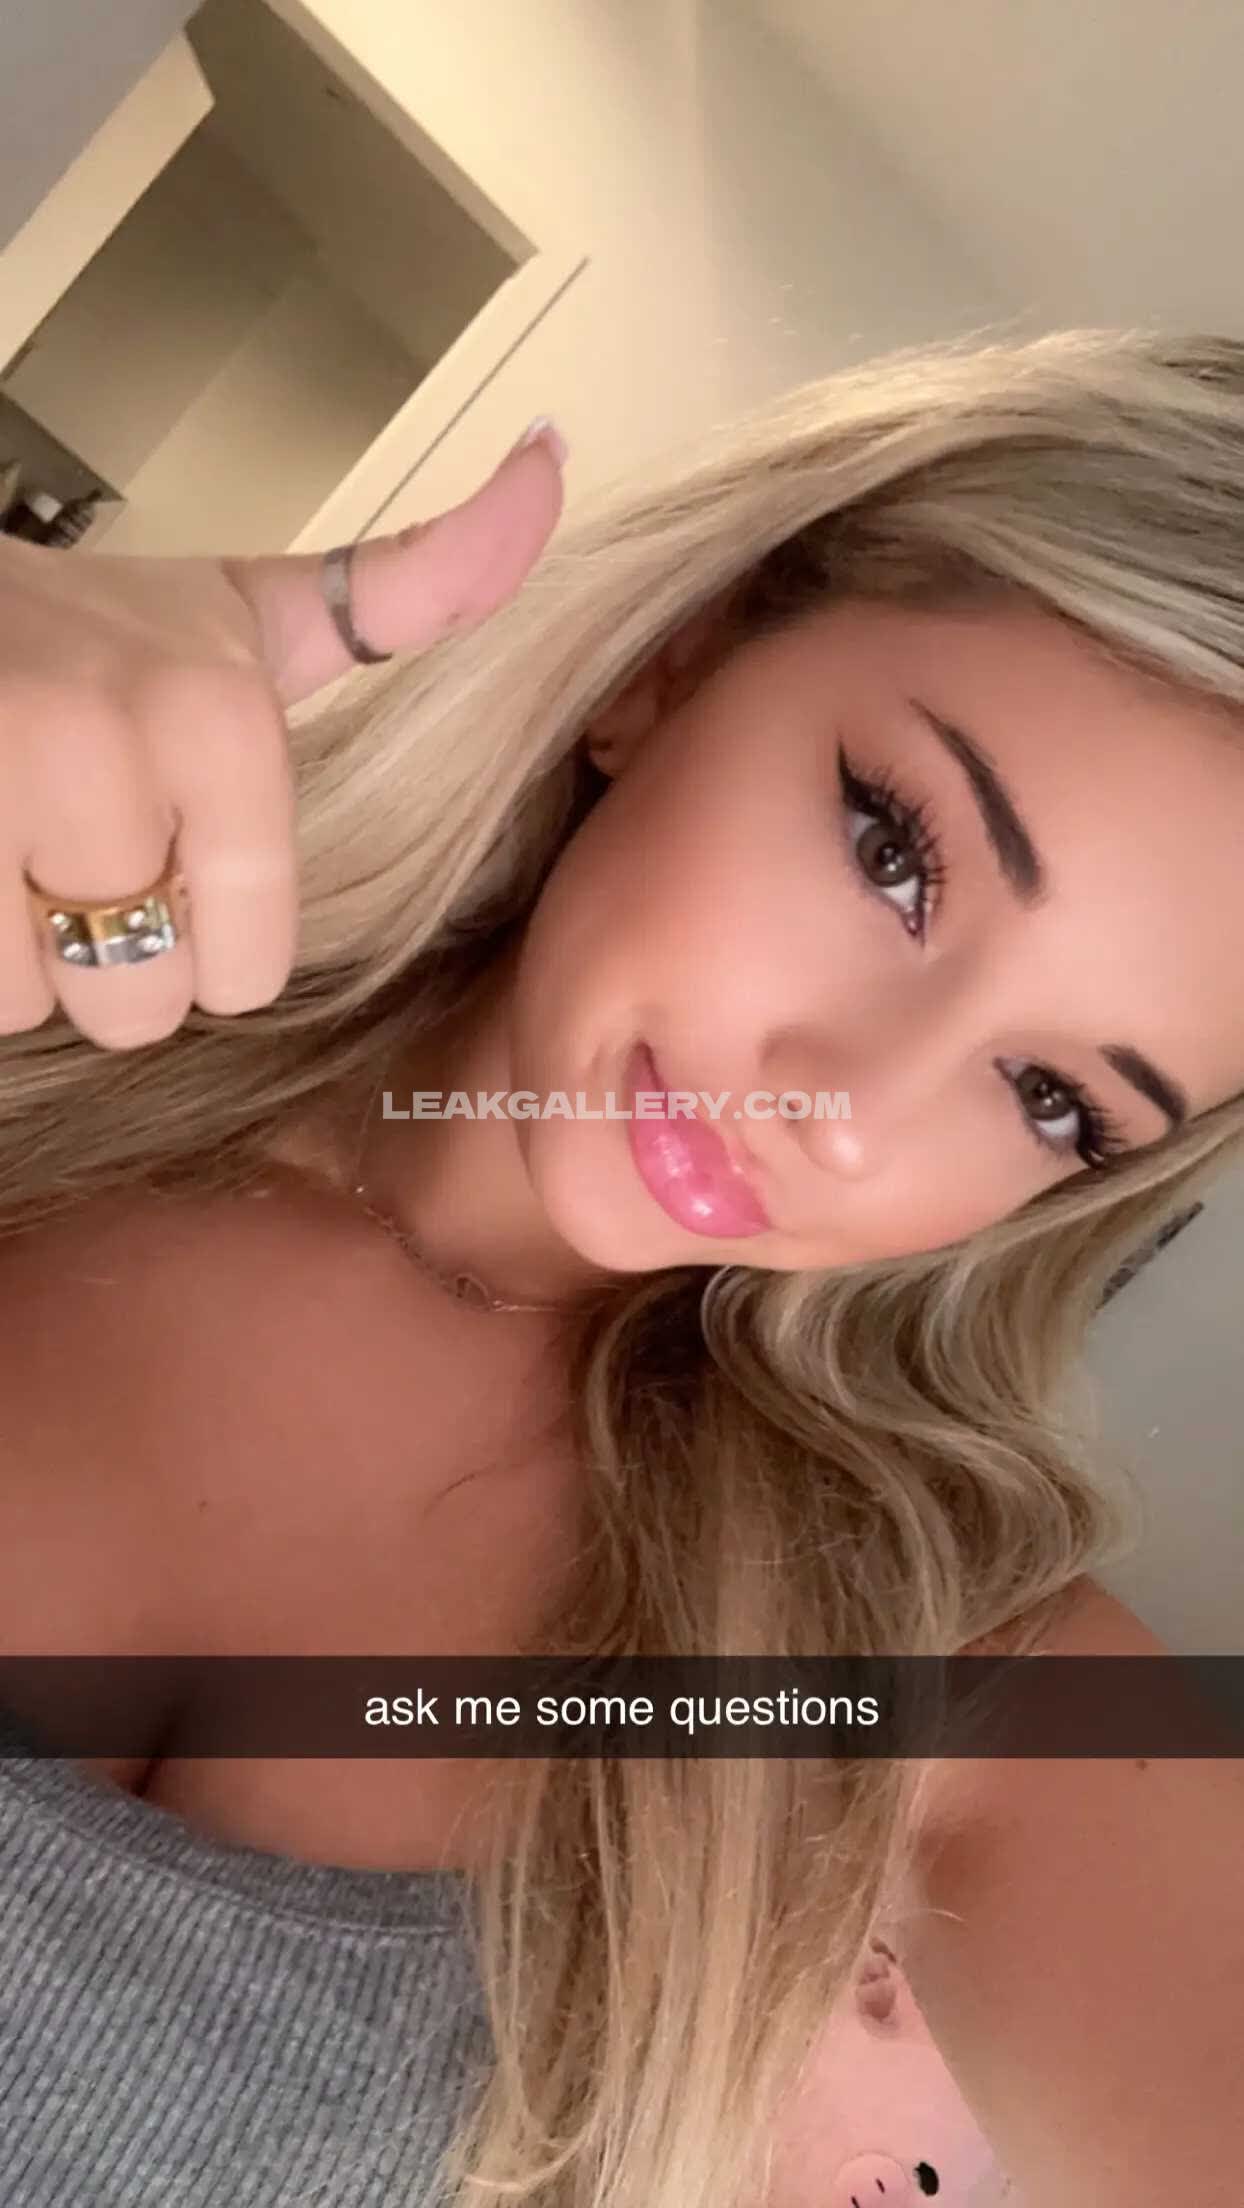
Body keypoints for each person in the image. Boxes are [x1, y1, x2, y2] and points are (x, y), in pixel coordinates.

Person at [0, 327, 1242, 2208]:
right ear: (675, 665)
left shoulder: (908, 1652)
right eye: (897, 855)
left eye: (1053, 1098)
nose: (847, 1110)